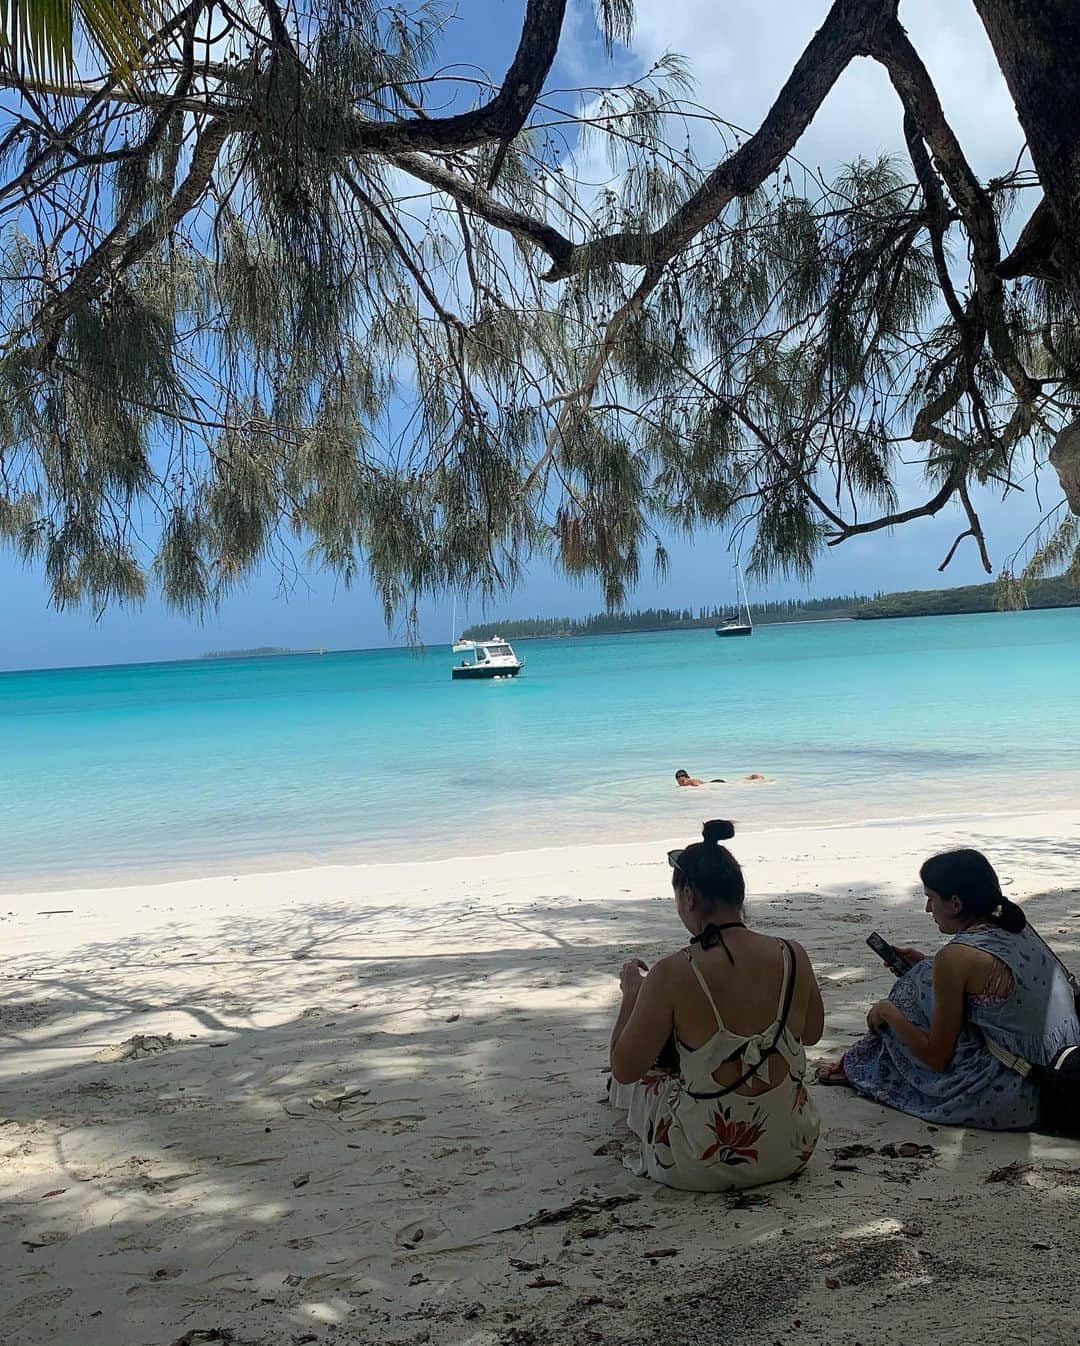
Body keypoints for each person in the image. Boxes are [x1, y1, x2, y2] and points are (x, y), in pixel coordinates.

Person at [607, 820, 823, 1191]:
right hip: (794, 1149)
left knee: (639, 1082)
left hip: (700, 1163)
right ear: (739, 894)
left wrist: (632, 996)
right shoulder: (793, 954)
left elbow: (624, 1068)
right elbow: (813, 1033)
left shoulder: (674, 971)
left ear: (689, 896)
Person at [819, 848, 1080, 1130]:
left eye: (930, 899)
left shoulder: (956, 957)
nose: (928, 909)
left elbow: (937, 1057)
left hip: (1019, 1089)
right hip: (1059, 1065)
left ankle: (860, 1066)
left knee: (906, 1001)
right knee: (921, 976)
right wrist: (925, 965)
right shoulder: (1015, 924)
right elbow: (995, 982)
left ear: (955, 903)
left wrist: (888, 1012)